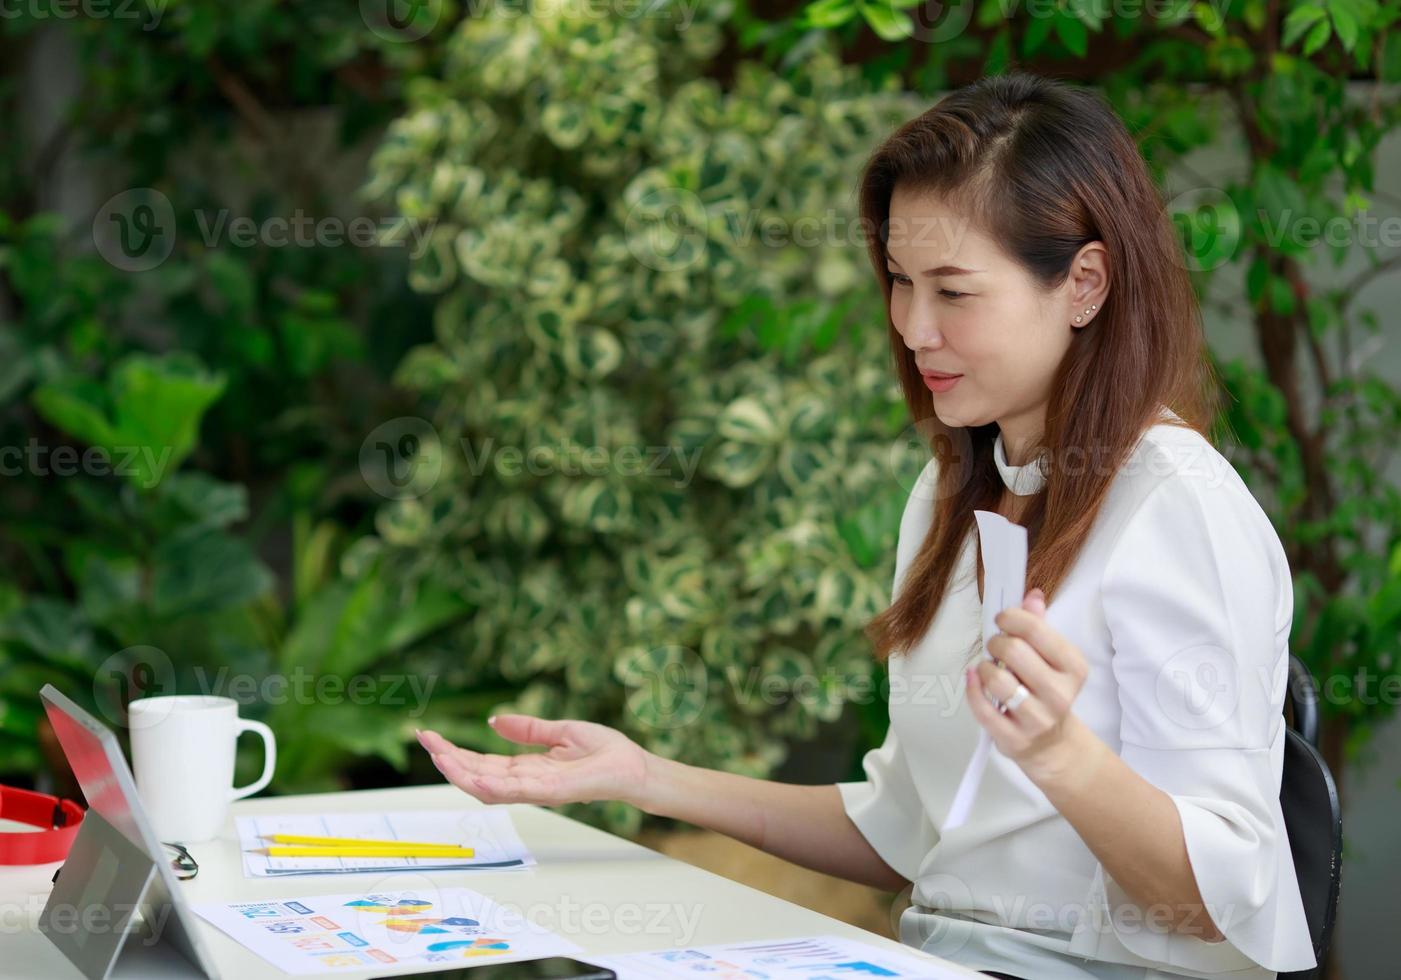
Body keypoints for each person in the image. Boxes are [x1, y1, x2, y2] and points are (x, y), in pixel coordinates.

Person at [415, 72, 1317, 980]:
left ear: (1083, 282)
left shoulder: (1178, 508)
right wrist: (646, 777)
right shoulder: (949, 493)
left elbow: (1214, 904)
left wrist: (1061, 757)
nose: (914, 327)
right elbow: (904, 829)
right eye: (897, 280)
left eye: (953, 293)